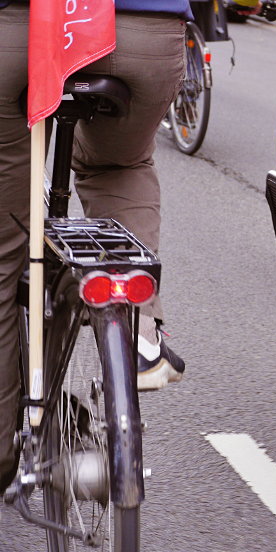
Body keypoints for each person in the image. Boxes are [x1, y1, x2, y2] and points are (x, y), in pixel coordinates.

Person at [0, 1, 191, 496]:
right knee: (117, 166)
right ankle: (141, 332)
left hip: (26, 26)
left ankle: (2, 451)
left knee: (3, 249)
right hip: (147, 31)